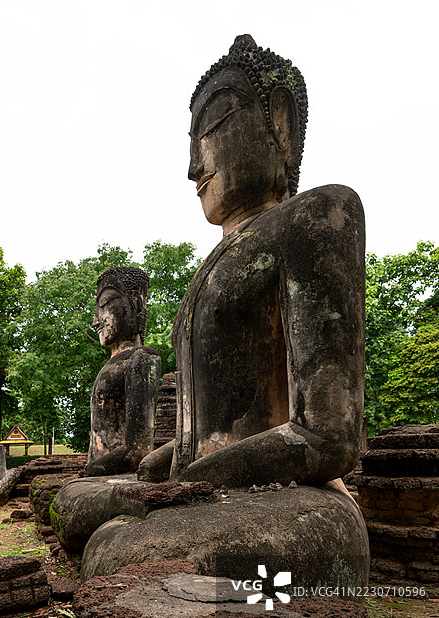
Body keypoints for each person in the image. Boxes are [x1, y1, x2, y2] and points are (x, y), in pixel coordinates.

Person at [138, 34, 365, 489]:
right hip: (214, 492)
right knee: (88, 508)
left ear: (279, 124)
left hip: (295, 502)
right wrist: (165, 465)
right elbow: (200, 435)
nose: (193, 167)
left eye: (212, 128)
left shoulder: (317, 216)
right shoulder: (213, 265)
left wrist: (198, 478)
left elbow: (327, 437)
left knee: (122, 542)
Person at [86, 265, 161, 476]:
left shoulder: (142, 359)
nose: (96, 320)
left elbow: (137, 451)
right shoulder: (112, 365)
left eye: (104, 304)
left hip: (117, 478)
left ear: (137, 303)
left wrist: (91, 472)